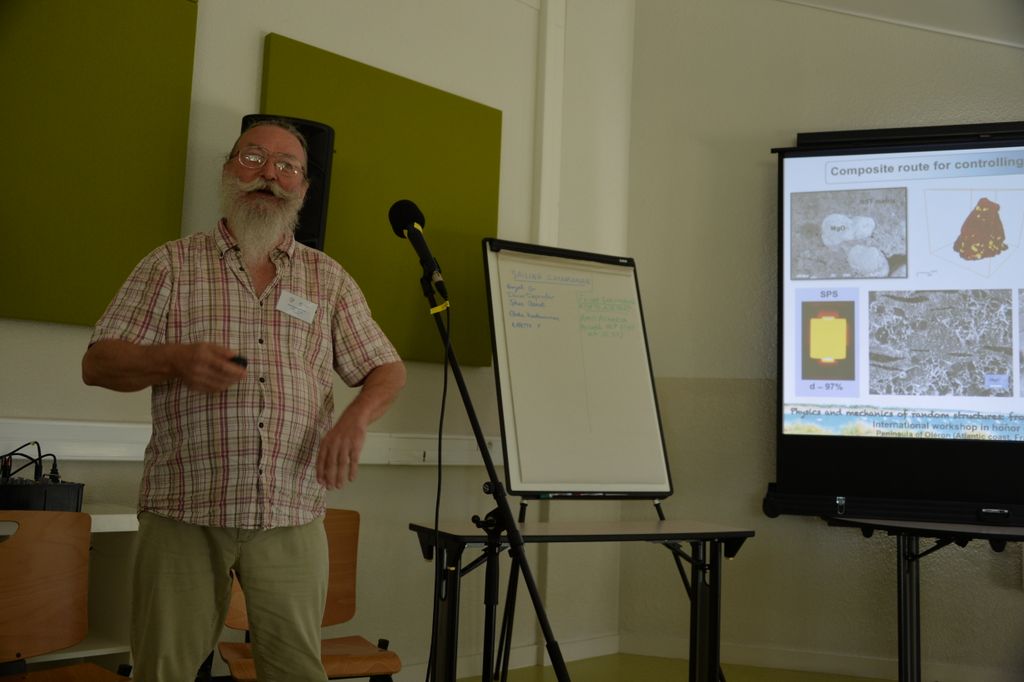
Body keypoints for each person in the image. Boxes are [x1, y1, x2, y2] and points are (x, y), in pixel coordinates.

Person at [82, 119, 406, 681]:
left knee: (296, 671)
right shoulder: (170, 264)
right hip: (185, 508)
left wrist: (355, 420)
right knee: (165, 669)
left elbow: (387, 368)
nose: (269, 175)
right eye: (254, 158)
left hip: (291, 509)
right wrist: (174, 359)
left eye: (287, 166)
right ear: (228, 170)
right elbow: (98, 363)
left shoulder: (327, 279)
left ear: (303, 188)